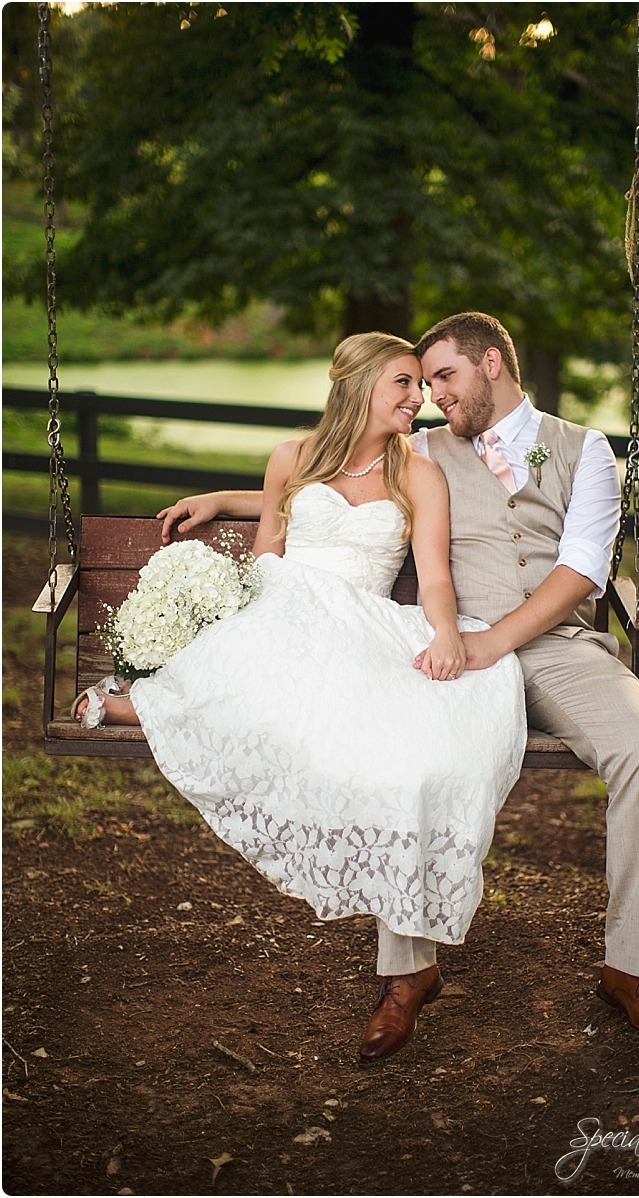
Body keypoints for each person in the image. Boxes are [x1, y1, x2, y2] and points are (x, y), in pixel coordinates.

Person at [156, 312, 639, 1044]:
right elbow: (335, 477)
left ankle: (632, 966)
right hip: (457, 641)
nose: (432, 395)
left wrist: (493, 644)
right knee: (412, 755)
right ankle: (409, 971)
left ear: (492, 364)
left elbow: (583, 568)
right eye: (421, 382)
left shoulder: (583, 449)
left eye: (444, 377)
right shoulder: (425, 450)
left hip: (555, 645)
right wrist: (227, 499)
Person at [73, 331, 527, 1062]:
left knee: (402, 761)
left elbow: (435, 575)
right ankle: (162, 702)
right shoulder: (293, 456)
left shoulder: (420, 472)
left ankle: (407, 975)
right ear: (360, 387)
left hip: (365, 624)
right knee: (276, 676)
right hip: (288, 606)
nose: (421, 398)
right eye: (405, 385)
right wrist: (229, 512)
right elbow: (271, 544)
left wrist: (445, 634)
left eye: (421, 385)